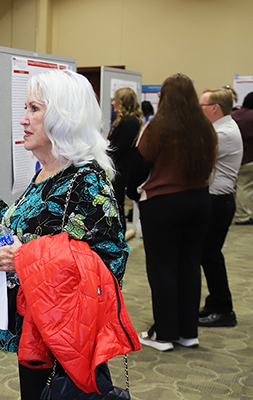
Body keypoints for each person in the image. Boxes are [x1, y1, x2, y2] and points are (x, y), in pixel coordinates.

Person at [0, 70, 132, 399]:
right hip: (35, 322)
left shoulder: (86, 182)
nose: (23, 120)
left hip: (65, 332)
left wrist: (24, 259)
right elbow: (19, 229)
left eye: (34, 109)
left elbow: (108, 264)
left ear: (63, 117)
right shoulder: (47, 171)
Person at [126, 73, 217, 351]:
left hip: (163, 205)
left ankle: (164, 333)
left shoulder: (158, 127)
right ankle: (188, 332)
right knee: (189, 265)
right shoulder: (205, 127)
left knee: (163, 268)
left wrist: (132, 193)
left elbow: (137, 168)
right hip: (200, 202)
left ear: (163, 98)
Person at [196, 88, 243, 327]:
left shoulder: (222, 133)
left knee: (210, 255)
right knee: (208, 255)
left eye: (202, 106)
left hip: (218, 201)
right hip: (219, 200)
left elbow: (195, 159)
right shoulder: (221, 129)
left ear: (215, 108)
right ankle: (216, 303)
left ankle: (224, 308)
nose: (199, 110)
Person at [109, 87, 144, 230]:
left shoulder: (131, 123)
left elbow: (119, 148)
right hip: (117, 168)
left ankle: (119, 237)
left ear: (122, 102)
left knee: (117, 205)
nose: (112, 103)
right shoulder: (124, 121)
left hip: (120, 170)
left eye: (115, 100)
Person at [231, 92, 253, 225]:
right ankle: (243, 216)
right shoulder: (252, 116)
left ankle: (237, 211)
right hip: (250, 158)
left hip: (234, 158)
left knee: (235, 187)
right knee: (245, 188)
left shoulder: (233, 115)